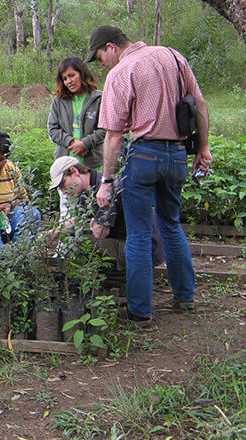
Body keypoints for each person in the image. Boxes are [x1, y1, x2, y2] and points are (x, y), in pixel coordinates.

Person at [86, 25, 213, 326]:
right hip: (178, 156)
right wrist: (204, 148)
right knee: (171, 224)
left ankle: (140, 311)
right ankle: (185, 296)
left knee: (140, 234)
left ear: (111, 47)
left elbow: (114, 137)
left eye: (99, 57)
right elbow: (200, 105)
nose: (101, 64)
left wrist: (105, 181)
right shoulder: (173, 56)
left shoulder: (120, 73)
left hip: (143, 156)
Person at [48, 156, 164, 284]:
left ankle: (117, 279)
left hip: (143, 249)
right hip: (125, 242)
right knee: (74, 236)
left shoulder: (105, 188)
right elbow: (77, 222)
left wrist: (93, 224)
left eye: (63, 185)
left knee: (78, 243)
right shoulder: (87, 190)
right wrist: (51, 234)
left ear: (74, 171)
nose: (63, 192)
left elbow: (100, 232)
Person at [47, 57, 106, 221]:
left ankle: (95, 245)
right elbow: (53, 129)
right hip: (67, 162)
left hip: (93, 162)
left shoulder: (98, 99)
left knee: (96, 211)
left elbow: (106, 128)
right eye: (64, 78)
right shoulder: (59, 101)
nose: (68, 81)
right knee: (68, 213)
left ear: (82, 74)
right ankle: (65, 246)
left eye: (72, 75)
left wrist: (86, 143)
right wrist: (72, 143)